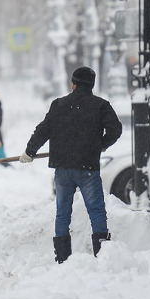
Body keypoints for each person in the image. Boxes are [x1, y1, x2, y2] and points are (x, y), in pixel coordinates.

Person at [19, 67, 122, 262]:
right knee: (96, 210)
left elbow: (43, 130)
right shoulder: (100, 105)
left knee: (62, 212)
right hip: (88, 168)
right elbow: (115, 129)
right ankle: (103, 255)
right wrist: (101, 145)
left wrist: (29, 151)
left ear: (73, 84)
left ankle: (62, 258)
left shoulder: (58, 105)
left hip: (63, 168)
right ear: (92, 85)